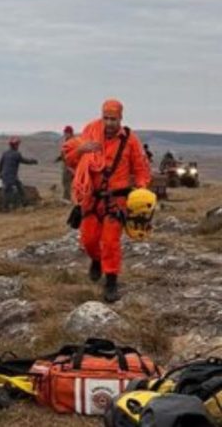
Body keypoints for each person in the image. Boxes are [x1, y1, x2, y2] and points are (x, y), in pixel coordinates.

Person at [63, 99, 150, 303]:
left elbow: (140, 168)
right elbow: (70, 160)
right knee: (89, 240)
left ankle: (111, 279)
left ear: (120, 118)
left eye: (113, 119)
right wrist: (82, 150)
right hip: (92, 199)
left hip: (116, 200)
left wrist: (141, 188)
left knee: (110, 242)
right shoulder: (90, 135)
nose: (109, 123)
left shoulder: (131, 141)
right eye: (106, 118)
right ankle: (95, 259)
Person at [0, 137, 38, 211]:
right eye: (17, 145)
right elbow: (25, 161)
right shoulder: (17, 154)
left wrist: (0, 174)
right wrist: (33, 161)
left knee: (16, 188)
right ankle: (6, 208)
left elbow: (0, 164)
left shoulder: (5, 153)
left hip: (4, 175)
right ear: (15, 145)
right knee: (10, 191)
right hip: (11, 176)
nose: (18, 146)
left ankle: (23, 204)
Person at [54, 126, 76, 201]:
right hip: (68, 164)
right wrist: (60, 158)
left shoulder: (72, 142)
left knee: (66, 181)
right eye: (65, 133)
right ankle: (72, 198)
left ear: (70, 133)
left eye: (66, 133)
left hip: (69, 165)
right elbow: (65, 153)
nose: (65, 134)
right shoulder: (69, 140)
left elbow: (72, 153)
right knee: (70, 182)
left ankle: (67, 199)